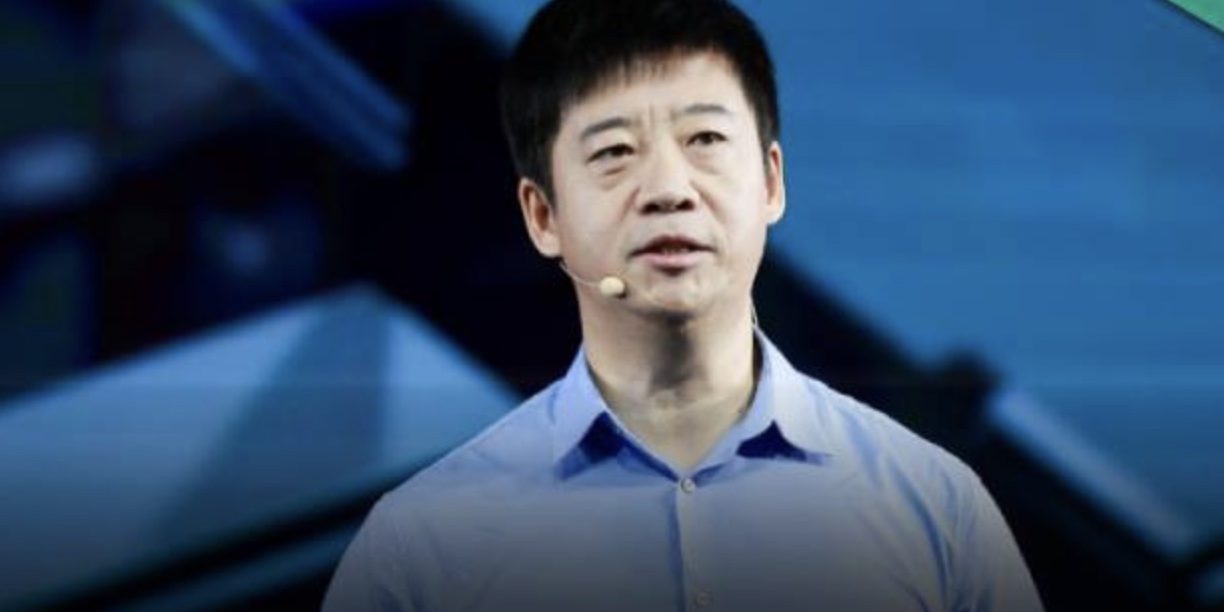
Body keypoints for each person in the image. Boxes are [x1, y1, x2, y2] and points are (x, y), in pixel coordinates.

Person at [323, 0, 1045, 610]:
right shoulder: (420, 549)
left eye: (704, 140)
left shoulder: (936, 509)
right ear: (542, 216)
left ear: (772, 183)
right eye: (615, 153)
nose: (669, 189)